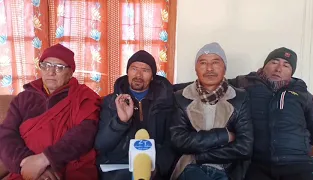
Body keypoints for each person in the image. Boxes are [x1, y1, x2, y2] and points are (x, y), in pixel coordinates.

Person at [0, 44, 101, 180]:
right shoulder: (23, 99)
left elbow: (84, 134)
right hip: (26, 169)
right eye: (46, 65)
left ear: (71, 72)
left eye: (59, 68)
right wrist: (28, 164)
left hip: (67, 168)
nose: (51, 72)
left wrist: (46, 159)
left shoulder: (83, 96)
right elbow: (6, 135)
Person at [229, 47, 313, 180]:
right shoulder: (244, 84)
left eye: (286, 65)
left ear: (291, 72)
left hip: (298, 162)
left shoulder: (302, 94)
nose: (278, 69)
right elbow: (211, 85)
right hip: (257, 164)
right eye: (274, 62)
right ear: (265, 65)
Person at [170, 42, 253, 180]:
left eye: (215, 62)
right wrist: (224, 136)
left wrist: (200, 156)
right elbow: (179, 141)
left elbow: (244, 147)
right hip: (190, 168)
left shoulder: (240, 98)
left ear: (224, 68)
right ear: (196, 69)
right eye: (203, 63)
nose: (209, 68)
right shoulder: (181, 97)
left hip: (227, 169)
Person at [95, 50, 177, 180]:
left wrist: (158, 168)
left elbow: (172, 141)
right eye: (134, 69)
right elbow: (101, 145)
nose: (138, 75)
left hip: (153, 168)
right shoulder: (111, 102)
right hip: (118, 168)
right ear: (127, 72)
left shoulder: (166, 102)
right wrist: (121, 122)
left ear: (152, 76)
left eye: (145, 70)